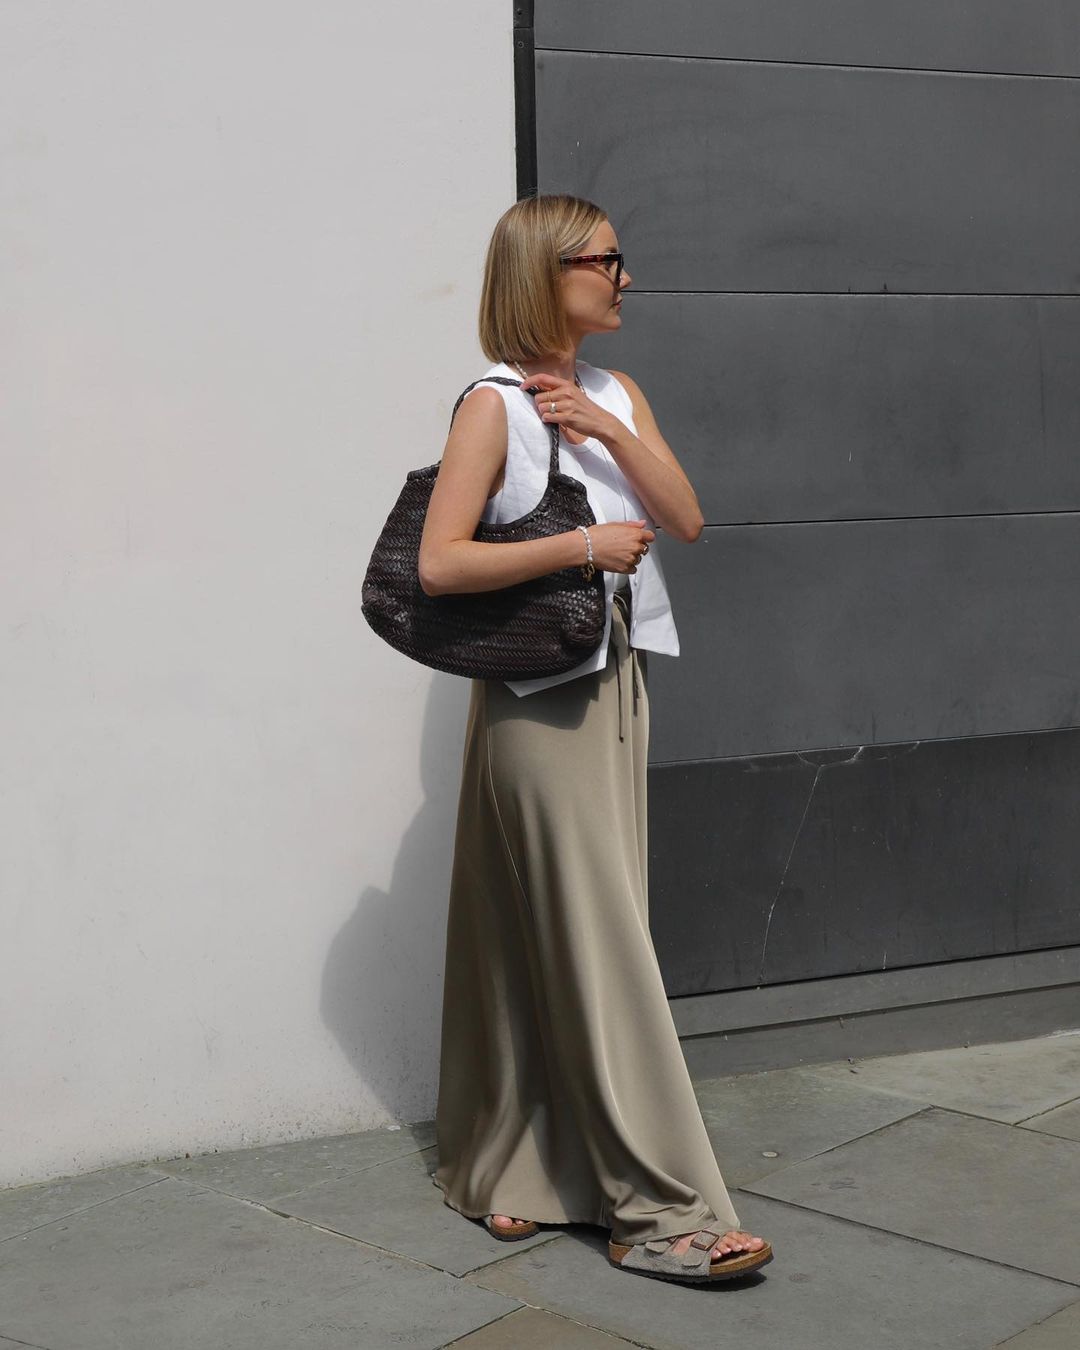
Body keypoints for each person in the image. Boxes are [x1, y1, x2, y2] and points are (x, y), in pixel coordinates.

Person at [419, 194, 773, 1284]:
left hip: (616, 686)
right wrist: (578, 543)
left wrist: (606, 428)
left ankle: (503, 1165)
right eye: (608, 260)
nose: (626, 277)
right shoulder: (491, 406)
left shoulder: (615, 392)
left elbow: (688, 518)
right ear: (546, 271)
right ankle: (658, 1211)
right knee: (600, 943)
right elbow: (439, 565)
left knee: (539, 932)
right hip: (538, 706)